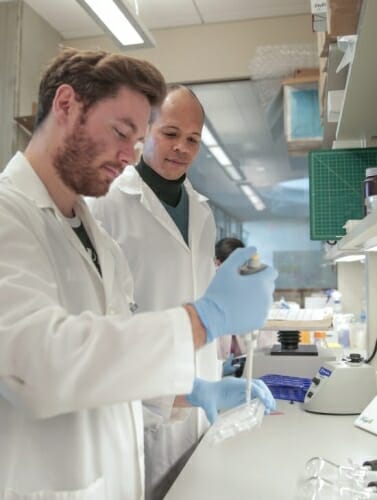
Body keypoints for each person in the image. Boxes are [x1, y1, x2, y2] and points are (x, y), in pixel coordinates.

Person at [0, 48, 277, 500]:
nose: (130, 156)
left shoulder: (97, 240)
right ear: (66, 105)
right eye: (121, 132)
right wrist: (201, 320)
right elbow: (34, 366)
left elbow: (110, 361)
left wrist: (189, 394)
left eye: (136, 139)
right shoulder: (7, 214)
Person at [88, 85, 276, 499]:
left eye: (193, 139)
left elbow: (201, 297)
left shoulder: (203, 211)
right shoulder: (106, 204)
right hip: (142, 405)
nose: (181, 148)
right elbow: (106, 318)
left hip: (200, 401)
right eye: (170, 133)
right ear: (146, 130)